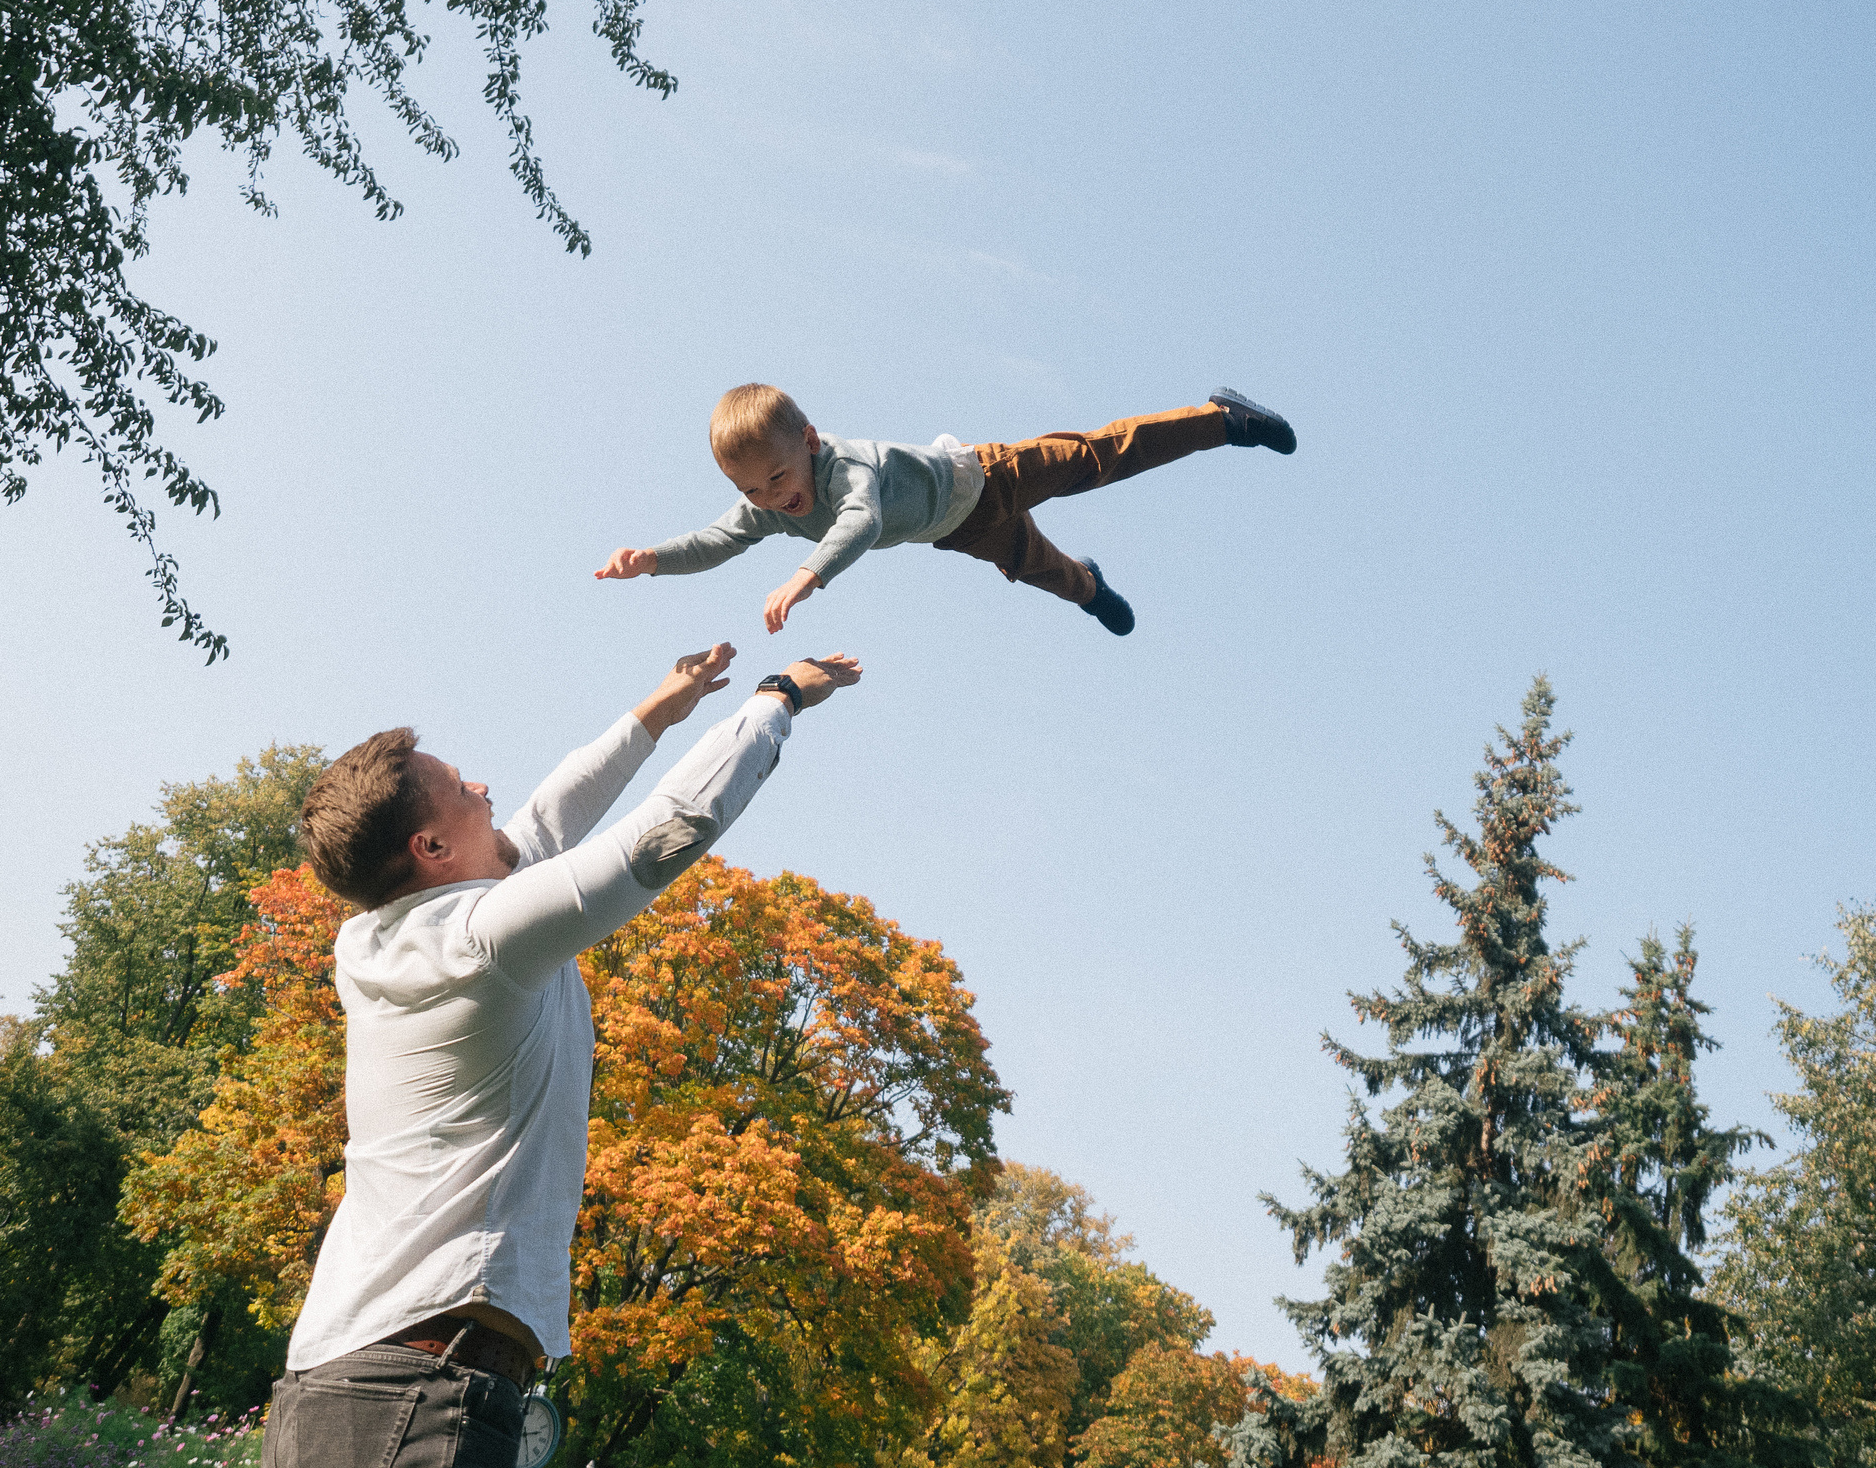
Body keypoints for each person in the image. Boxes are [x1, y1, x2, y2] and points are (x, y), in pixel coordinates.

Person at [261, 643, 862, 1467]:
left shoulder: (386, 938)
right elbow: (663, 836)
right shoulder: (479, 943)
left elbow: (542, 825)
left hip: (350, 1379)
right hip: (419, 1388)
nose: (484, 788)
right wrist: (777, 700)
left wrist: (656, 712)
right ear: (431, 850)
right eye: (462, 788)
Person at [595, 384, 1296, 638]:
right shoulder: (771, 508)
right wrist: (651, 560)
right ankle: (1090, 585)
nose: (775, 499)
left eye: (780, 477)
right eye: (753, 492)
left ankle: (1221, 418)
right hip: (961, 528)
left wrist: (808, 576)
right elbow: (717, 540)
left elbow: (861, 521)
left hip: (989, 474)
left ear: (808, 443)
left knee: (1098, 458)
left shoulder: (847, 469)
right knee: (1039, 569)